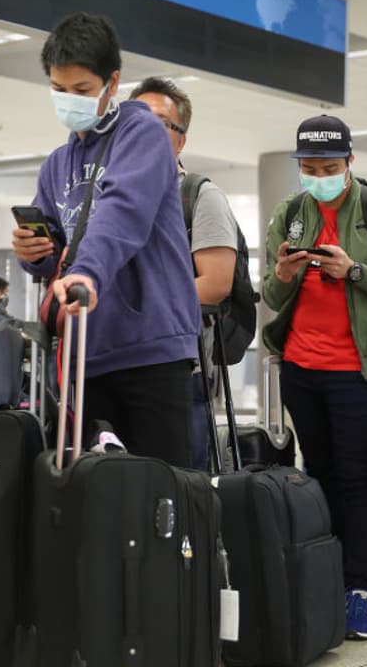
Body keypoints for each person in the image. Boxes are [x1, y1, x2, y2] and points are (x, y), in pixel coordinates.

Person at [263, 114, 367, 639]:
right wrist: (284, 274)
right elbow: (272, 294)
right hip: (300, 367)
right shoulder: (291, 212)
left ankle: (362, 589)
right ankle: (326, 577)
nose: (319, 177)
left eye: (329, 168)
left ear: (350, 162)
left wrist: (354, 271)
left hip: (356, 368)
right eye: (309, 169)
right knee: (318, 474)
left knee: (358, 478)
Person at [13, 13, 198, 467]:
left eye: (81, 90)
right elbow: (59, 250)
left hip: (150, 349)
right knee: (98, 492)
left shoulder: (142, 133)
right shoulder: (57, 164)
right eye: (58, 88)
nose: (69, 100)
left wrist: (87, 272)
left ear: (111, 83)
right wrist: (34, 254)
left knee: (160, 488)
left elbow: (122, 212)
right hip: (88, 353)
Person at [130, 76, 239, 471]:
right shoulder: (111, 194)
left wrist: (138, 306)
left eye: (159, 124)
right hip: (115, 364)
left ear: (180, 141)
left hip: (179, 368)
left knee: (180, 484)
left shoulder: (199, 197)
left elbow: (215, 285)